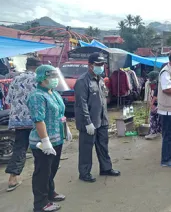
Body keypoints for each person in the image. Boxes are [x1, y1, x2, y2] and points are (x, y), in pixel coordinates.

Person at [27, 65, 72, 212]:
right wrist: (45, 141)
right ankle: (40, 203)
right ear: (41, 78)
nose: (54, 80)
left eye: (55, 76)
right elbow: (39, 120)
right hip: (42, 142)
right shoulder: (37, 96)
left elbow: (60, 114)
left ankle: (50, 192)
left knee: (51, 170)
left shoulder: (54, 93)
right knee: (42, 172)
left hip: (57, 139)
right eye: (50, 77)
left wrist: (67, 129)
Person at [74, 53, 120, 183]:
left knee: (103, 146)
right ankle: (84, 173)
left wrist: (106, 119)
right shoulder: (83, 81)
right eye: (98, 65)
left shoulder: (100, 79)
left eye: (102, 64)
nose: (101, 67)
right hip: (89, 122)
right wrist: (88, 122)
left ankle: (106, 168)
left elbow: (102, 100)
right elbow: (81, 104)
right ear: (90, 65)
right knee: (86, 149)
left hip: (101, 120)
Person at [5, 57, 41, 192]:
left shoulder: (16, 79)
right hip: (36, 119)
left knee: (20, 148)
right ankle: (41, 174)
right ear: (38, 67)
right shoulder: (39, 79)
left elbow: (9, 100)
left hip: (19, 121)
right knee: (41, 146)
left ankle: (12, 178)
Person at [144, 71, 162, 140]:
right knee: (156, 118)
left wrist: (152, 103)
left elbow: (157, 95)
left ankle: (154, 132)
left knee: (154, 117)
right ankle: (157, 131)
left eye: (150, 78)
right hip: (155, 103)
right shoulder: (150, 84)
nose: (149, 79)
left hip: (157, 103)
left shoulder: (158, 84)